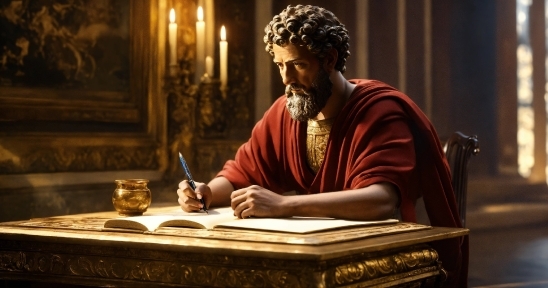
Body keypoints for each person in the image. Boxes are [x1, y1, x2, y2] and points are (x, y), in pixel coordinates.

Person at [177, 4, 467, 286]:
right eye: (280, 65)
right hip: (312, 249)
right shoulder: (284, 112)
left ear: (330, 58)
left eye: (298, 65)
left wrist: (284, 205)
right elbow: (243, 171)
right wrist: (206, 193)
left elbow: (381, 199)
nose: (287, 79)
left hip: (375, 256)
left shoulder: (379, 111)